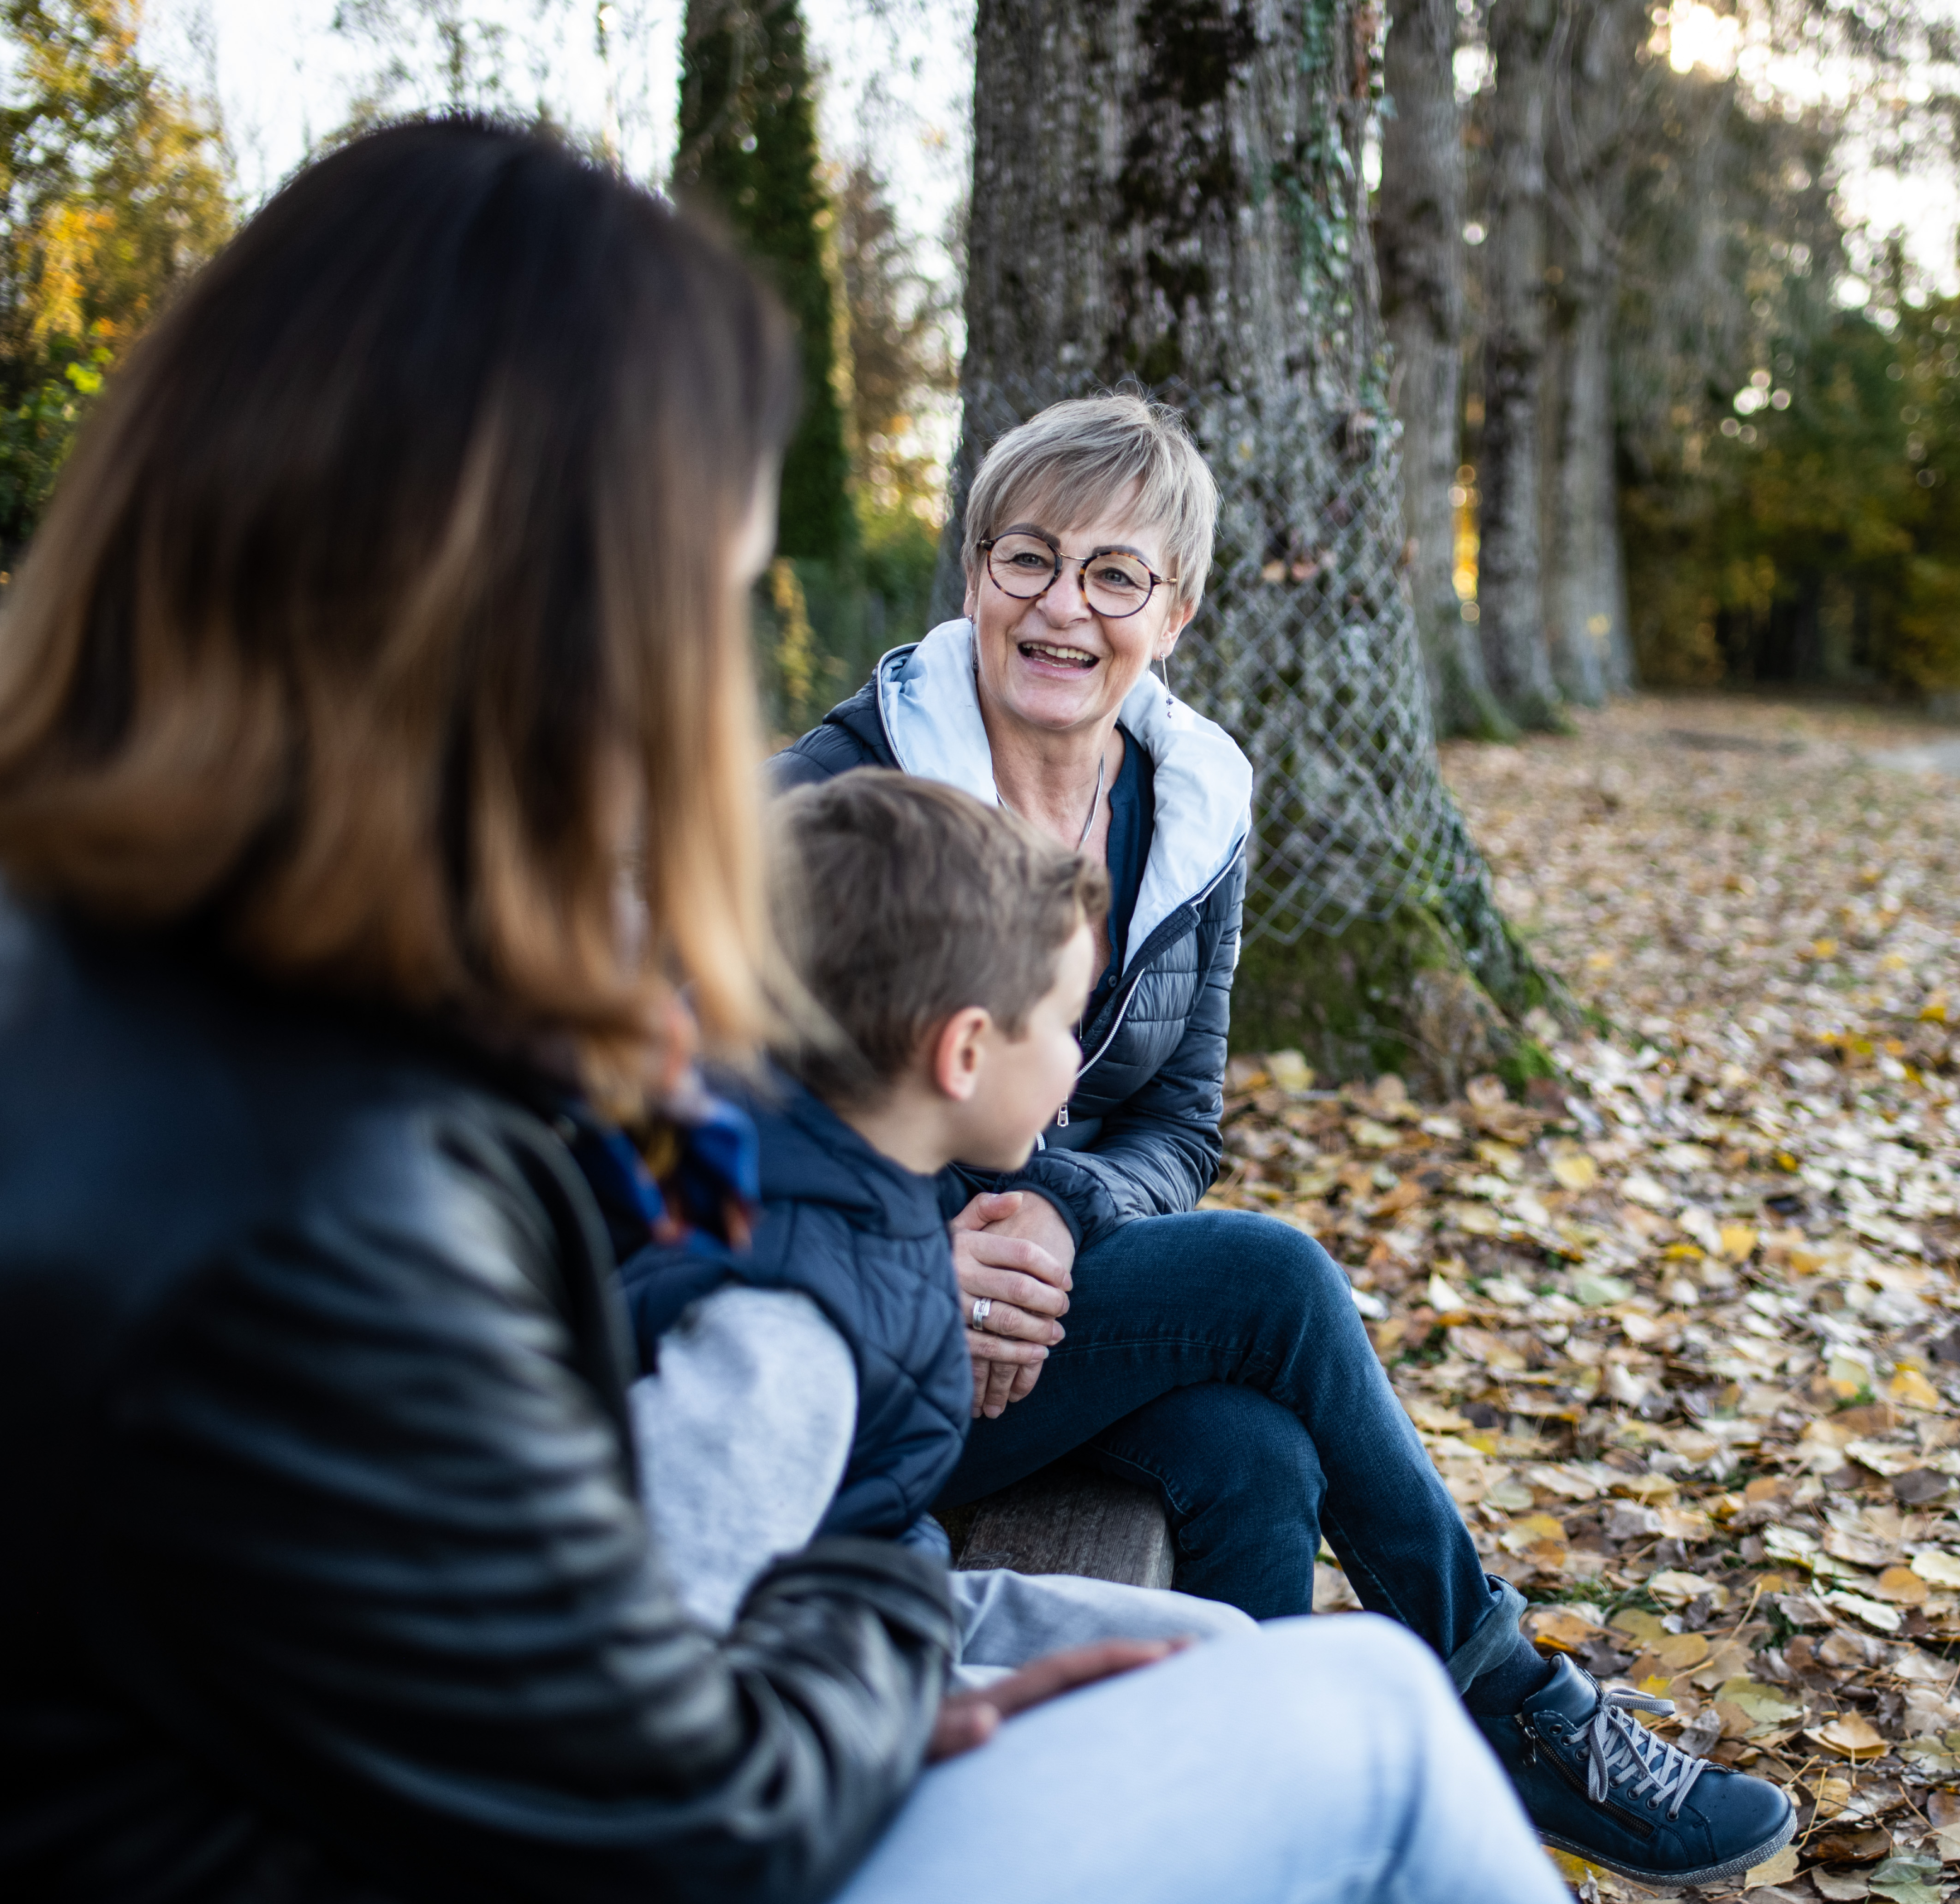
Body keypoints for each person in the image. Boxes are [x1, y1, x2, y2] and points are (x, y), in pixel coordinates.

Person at [0, 118, 1567, 1904]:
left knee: (1246, 1499)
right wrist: (884, 1606)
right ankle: (1497, 1693)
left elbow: (1070, 1135)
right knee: (1355, 1713)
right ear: (527, 601)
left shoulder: (226, 976)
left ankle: (1490, 1693)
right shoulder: (305, 1177)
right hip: (619, 1768)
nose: (713, 664)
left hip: (590, 1686)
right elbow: (675, 1797)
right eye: (706, 590)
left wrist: (1003, 1212)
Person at [777, 393, 1794, 1888]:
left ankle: (1235, 1841)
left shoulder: (1192, 806)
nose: (1063, 606)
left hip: (1045, 1307)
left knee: (1253, 1457)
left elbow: (1181, 1119)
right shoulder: (845, 794)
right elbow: (722, 1093)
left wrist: (1062, 1209)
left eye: (1114, 574)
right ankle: (1514, 1697)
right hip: (859, 1313)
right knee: (1269, 1279)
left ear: (1173, 610)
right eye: (1027, 559)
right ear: (973, 570)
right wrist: (946, 1241)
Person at [619, 768, 1257, 1689]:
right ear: (962, 1053)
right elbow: (672, 1674)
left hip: (881, 1617)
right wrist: (936, 1723)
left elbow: (862, 1554)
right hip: (821, 1740)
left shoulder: (866, 1192)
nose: (1077, 1064)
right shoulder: (782, 1338)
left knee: (1226, 1657)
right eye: (1061, 1023)